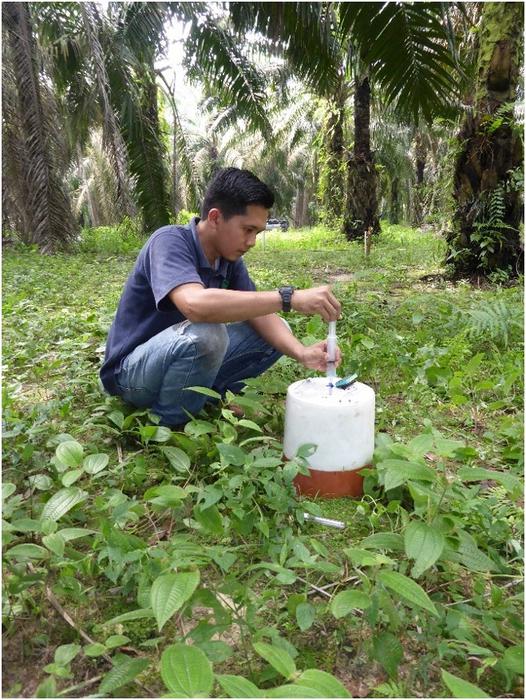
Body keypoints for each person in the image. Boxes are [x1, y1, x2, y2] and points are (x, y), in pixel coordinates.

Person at [100, 167, 341, 426]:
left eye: (257, 233)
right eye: (247, 230)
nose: (252, 242)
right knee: (209, 335)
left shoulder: (228, 259)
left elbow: (259, 316)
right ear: (215, 217)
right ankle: (170, 425)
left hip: (178, 360)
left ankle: (207, 397)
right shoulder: (169, 241)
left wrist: (302, 352)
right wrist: (288, 298)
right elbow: (195, 305)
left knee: (276, 330)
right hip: (132, 374)